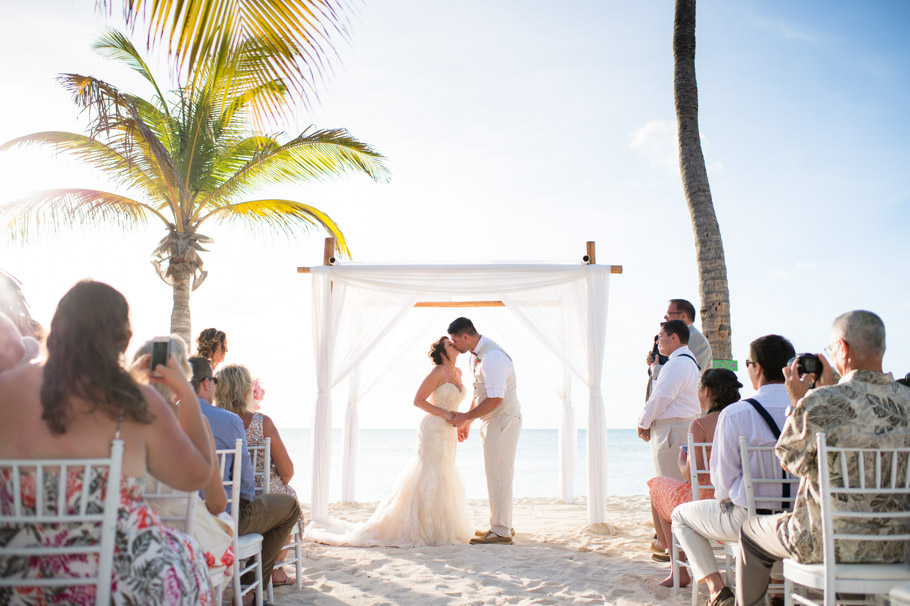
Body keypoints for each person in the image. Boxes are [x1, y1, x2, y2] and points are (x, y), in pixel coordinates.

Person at [0, 280, 214, 605]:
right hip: (114, 578)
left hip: (16, 577)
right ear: (123, 341)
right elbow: (197, 475)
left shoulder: (5, 389)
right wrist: (184, 391)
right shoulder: (135, 402)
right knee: (190, 557)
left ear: (56, 329)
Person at [735, 311, 910, 606]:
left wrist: (798, 403)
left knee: (750, 530)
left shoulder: (820, 402)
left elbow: (790, 462)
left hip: (825, 542)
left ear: (842, 348)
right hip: (899, 543)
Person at [306, 336, 473, 547]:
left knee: (446, 471)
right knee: (430, 471)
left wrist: (461, 421)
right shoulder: (437, 372)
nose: (454, 345)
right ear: (442, 353)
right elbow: (418, 401)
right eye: (450, 344)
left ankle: (444, 526)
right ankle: (425, 528)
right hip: (434, 429)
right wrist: (447, 414)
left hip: (449, 432)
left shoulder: (459, 373)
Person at [671, 334, 795, 606]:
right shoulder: (806, 410)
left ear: (757, 368)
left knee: (680, 515)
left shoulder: (737, 413)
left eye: (749, 363)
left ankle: (717, 589)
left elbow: (722, 485)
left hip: (749, 520)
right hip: (796, 520)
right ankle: (776, 586)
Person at [134, 345, 234, 575]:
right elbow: (218, 504)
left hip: (134, 533)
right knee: (223, 535)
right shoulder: (197, 425)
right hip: (186, 534)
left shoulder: (117, 424)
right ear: (182, 378)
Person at [207, 362, 300, 593]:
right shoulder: (261, 423)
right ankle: (273, 570)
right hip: (256, 500)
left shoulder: (209, 423)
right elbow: (287, 472)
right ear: (246, 390)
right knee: (289, 500)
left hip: (221, 500)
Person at [647, 368, 743, 587]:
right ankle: (671, 557)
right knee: (663, 489)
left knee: (656, 486)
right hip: (738, 498)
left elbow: (693, 474)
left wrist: (683, 458)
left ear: (706, 391)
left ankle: (675, 565)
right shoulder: (741, 419)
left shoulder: (699, 425)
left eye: (698, 388)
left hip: (705, 502)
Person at [448, 317, 522, 545]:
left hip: (503, 420)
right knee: (496, 473)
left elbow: (497, 399)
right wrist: (468, 422)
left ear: (465, 337)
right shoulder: (476, 356)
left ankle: (500, 531)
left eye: (454, 341)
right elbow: (481, 393)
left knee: (499, 474)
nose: (453, 346)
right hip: (493, 420)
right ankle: (502, 525)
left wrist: (465, 417)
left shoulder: (492, 357)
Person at [638, 319, 701, 481]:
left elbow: (661, 397)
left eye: (660, 337)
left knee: (670, 485)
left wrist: (643, 422)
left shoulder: (677, 364)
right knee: (679, 484)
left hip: (672, 431)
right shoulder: (689, 361)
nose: (657, 342)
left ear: (674, 337)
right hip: (680, 427)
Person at [646, 299, 713, 399]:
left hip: (685, 410)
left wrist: (655, 368)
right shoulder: (665, 337)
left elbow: (690, 375)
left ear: (683, 316)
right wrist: (652, 361)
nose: (665, 317)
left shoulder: (696, 339)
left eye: (669, 314)